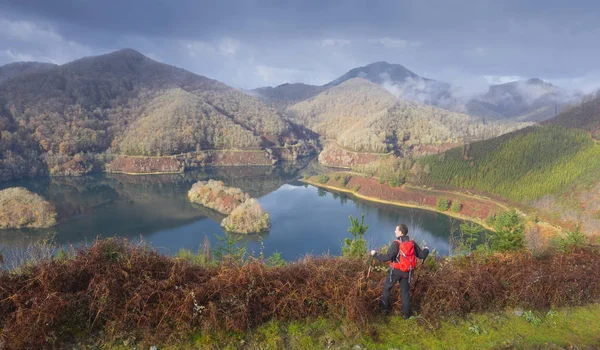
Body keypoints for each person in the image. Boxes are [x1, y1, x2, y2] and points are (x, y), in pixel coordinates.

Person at [370, 224, 429, 319]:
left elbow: (387, 257)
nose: (394, 231)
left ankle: (384, 310)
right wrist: (426, 249)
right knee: (405, 293)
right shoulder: (412, 243)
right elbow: (422, 255)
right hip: (407, 273)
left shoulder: (396, 243)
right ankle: (406, 315)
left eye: (396, 230)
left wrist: (375, 254)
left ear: (401, 232)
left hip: (395, 272)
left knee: (386, 288)